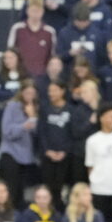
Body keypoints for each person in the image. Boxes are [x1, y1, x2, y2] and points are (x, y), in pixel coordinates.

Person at [0, 81, 40, 210]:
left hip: (28, 157)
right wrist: (24, 126)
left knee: (23, 193)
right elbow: (7, 131)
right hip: (11, 153)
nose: (30, 96)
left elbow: (40, 133)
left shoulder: (37, 108)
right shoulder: (12, 107)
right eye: (27, 93)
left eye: (32, 93)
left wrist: (33, 116)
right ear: (21, 93)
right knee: (11, 190)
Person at [38, 81, 73, 212]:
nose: (51, 93)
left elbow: (72, 133)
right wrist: (47, 150)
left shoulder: (70, 109)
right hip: (48, 156)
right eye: (49, 90)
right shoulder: (45, 109)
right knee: (48, 188)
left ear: (62, 91)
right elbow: (41, 132)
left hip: (65, 157)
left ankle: (59, 214)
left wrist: (64, 151)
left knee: (61, 189)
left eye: (54, 90)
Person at [5, 0, 56, 77]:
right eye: (33, 11)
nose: (35, 14)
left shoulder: (49, 32)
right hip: (21, 75)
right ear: (27, 11)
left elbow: (52, 55)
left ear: (43, 11)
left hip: (41, 75)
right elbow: (10, 52)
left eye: (38, 11)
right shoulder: (17, 28)